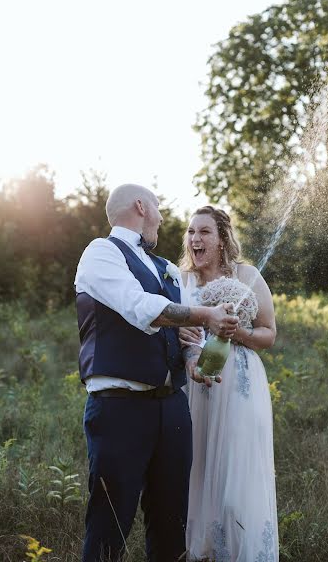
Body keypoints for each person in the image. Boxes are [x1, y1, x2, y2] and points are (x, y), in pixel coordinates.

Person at [74, 185, 238, 562]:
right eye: (159, 209)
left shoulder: (165, 267)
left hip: (172, 408)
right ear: (141, 206)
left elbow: (184, 335)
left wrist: (195, 360)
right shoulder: (100, 253)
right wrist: (205, 314)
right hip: (120, 408)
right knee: (109, 521)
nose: (163, 219)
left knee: (171, 522)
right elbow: (140, 307)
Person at [179, 205, 279, 561]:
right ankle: (202, 551)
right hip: (196, 384)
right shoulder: (181, 280)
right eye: (191, 232)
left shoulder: (246, 274)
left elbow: (269, 334)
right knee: (198, 468)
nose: (195, 239)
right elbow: (174, 329)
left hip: (239, 384)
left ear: (222, 240)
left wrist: (240, 333)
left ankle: (242, 551)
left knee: (237, 476)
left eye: (204, 232)